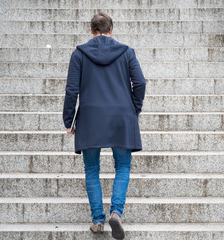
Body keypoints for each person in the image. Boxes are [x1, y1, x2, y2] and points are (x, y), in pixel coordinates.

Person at [62, 12, 146, 240]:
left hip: (90, 117)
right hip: (121, 116)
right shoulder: (127, 52)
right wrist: (133, 109)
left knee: (91, 170)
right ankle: (116, 212)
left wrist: (68, 120)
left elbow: (71, 90)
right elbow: (140, 82)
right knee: (123, 166)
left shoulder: (79, 54)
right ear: (111, 30)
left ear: (91, 31)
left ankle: (98, 221)